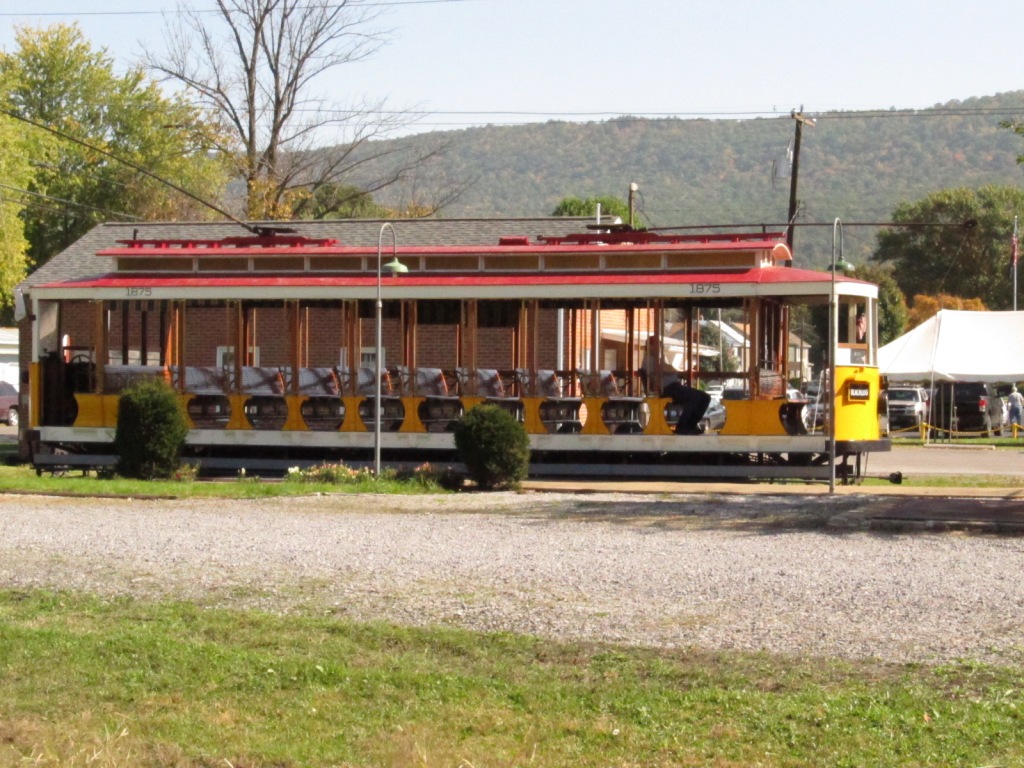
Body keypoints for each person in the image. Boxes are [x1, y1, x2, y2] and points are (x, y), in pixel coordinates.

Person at [641, 336, 710, 435]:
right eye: (656, 345)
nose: (658, 348)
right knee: (693, 398)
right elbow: (669, 369)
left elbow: (669, 369)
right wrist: (669, 367)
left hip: (673, 387)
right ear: (650, 346)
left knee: (705, 397)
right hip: (667, 389)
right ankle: (683, 426)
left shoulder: (658, 360)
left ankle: (691, 424)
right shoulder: (649, 360)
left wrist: (668, 366)